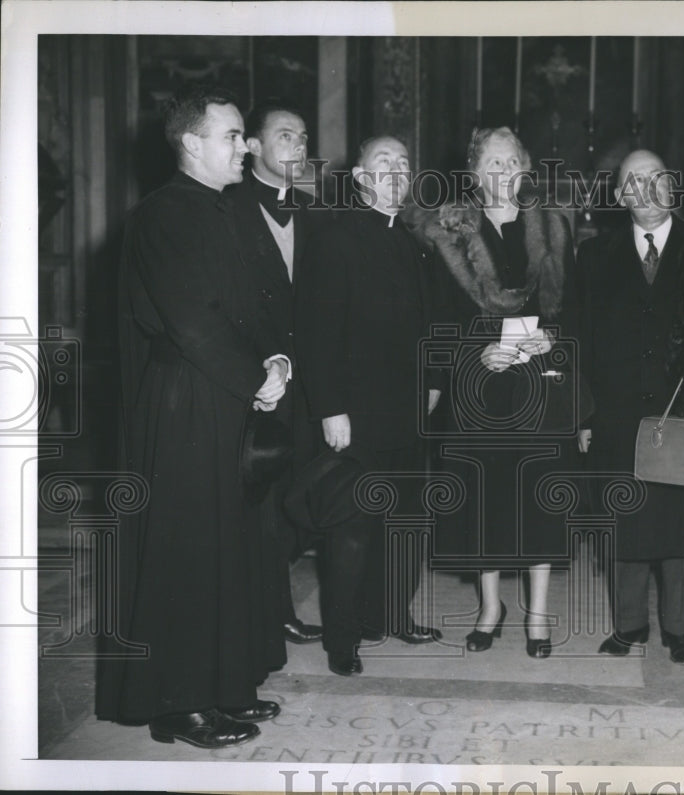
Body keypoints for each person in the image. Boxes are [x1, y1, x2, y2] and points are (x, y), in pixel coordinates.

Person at [97, 85, 291, 748]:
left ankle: (227, 683)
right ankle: (178, 704)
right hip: (184, 402)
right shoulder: (162, 215)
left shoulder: (225, 209)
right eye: (233, 135)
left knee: (231, 548)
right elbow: (191, 321)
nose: (247, 146)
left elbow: (252, 305)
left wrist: (277, 359)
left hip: (228, 396)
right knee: (187, 549)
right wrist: (254, 379)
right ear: (191, 143)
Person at [419, 126, 581, 659]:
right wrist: (474, 355)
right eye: (491, 163)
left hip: (539, 383)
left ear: (526, 166)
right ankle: (490, 607)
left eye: (511, 161)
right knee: (485, 500)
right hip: (477, 386)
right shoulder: (450, 230)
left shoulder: (555, 227)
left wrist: (551, 340)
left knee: (537, 498)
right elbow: (438, 321)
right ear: (473, 172)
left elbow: (575, 312)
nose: (502, 172)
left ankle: (537, 614)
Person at [295, 135, 443, 677]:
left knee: (404, 522)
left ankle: (392, 615)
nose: (397, 172)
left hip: (406, 411)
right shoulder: (335, 240)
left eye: (405, 163)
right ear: (359, 177)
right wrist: (331, 409)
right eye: (385, 163)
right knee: (353, 526)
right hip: (355, 413)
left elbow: (426, 327)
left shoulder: (410, 241)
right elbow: (317, 333)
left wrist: (432, 385)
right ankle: (342, 636)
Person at [576, 149, 684, 663]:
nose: (647, 188)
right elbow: (580, 337)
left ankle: (679, 627)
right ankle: (629, 625)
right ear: (619, 195)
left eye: (657, 177)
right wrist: (584, 414)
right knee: (623, 517)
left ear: (671, 187)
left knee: (680, 522)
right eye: (635, 180)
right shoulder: (594, 255)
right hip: (617, 412)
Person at [227, 102, 322, 645]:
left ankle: (272, 601)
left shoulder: (314, 211)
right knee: (255, 502)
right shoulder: (225, 208)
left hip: (306, 382)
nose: (298, 146)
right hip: (254, 381)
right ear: (254, 147)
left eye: (304, 136)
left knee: (296, 500)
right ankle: (268, 610)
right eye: (285, 135)